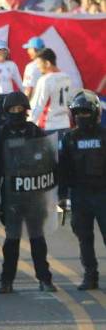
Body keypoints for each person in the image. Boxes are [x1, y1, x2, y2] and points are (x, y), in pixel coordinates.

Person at [0, 92, 56, 294]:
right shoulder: (1, 135)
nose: (16, 112)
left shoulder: (35, 132)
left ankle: (44, 279)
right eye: (13, 109)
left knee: (37, 239)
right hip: (11, 197)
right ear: (6, 111)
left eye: (20, 109)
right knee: (11, 241)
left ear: (26, 110)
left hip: (34, 195)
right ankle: (6, 281)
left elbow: (49, 162)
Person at [58, 90, 105, 290]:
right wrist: (61, 197)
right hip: (79, 195)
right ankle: (90, 276)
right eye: (78, 113)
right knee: (84, 237)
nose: (82, 116)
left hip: (103, 194)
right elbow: (62, 169)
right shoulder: (69, 138)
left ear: (95, 113)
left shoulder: (104, 136)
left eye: (86, 112)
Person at [29, 48, 73, 134]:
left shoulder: (45, 80)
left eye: (39, 63)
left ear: (47, 63)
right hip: (65, 124)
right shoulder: (67, 77)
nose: (38, 67)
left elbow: (37, 106)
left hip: (49, 126)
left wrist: (28, 124)